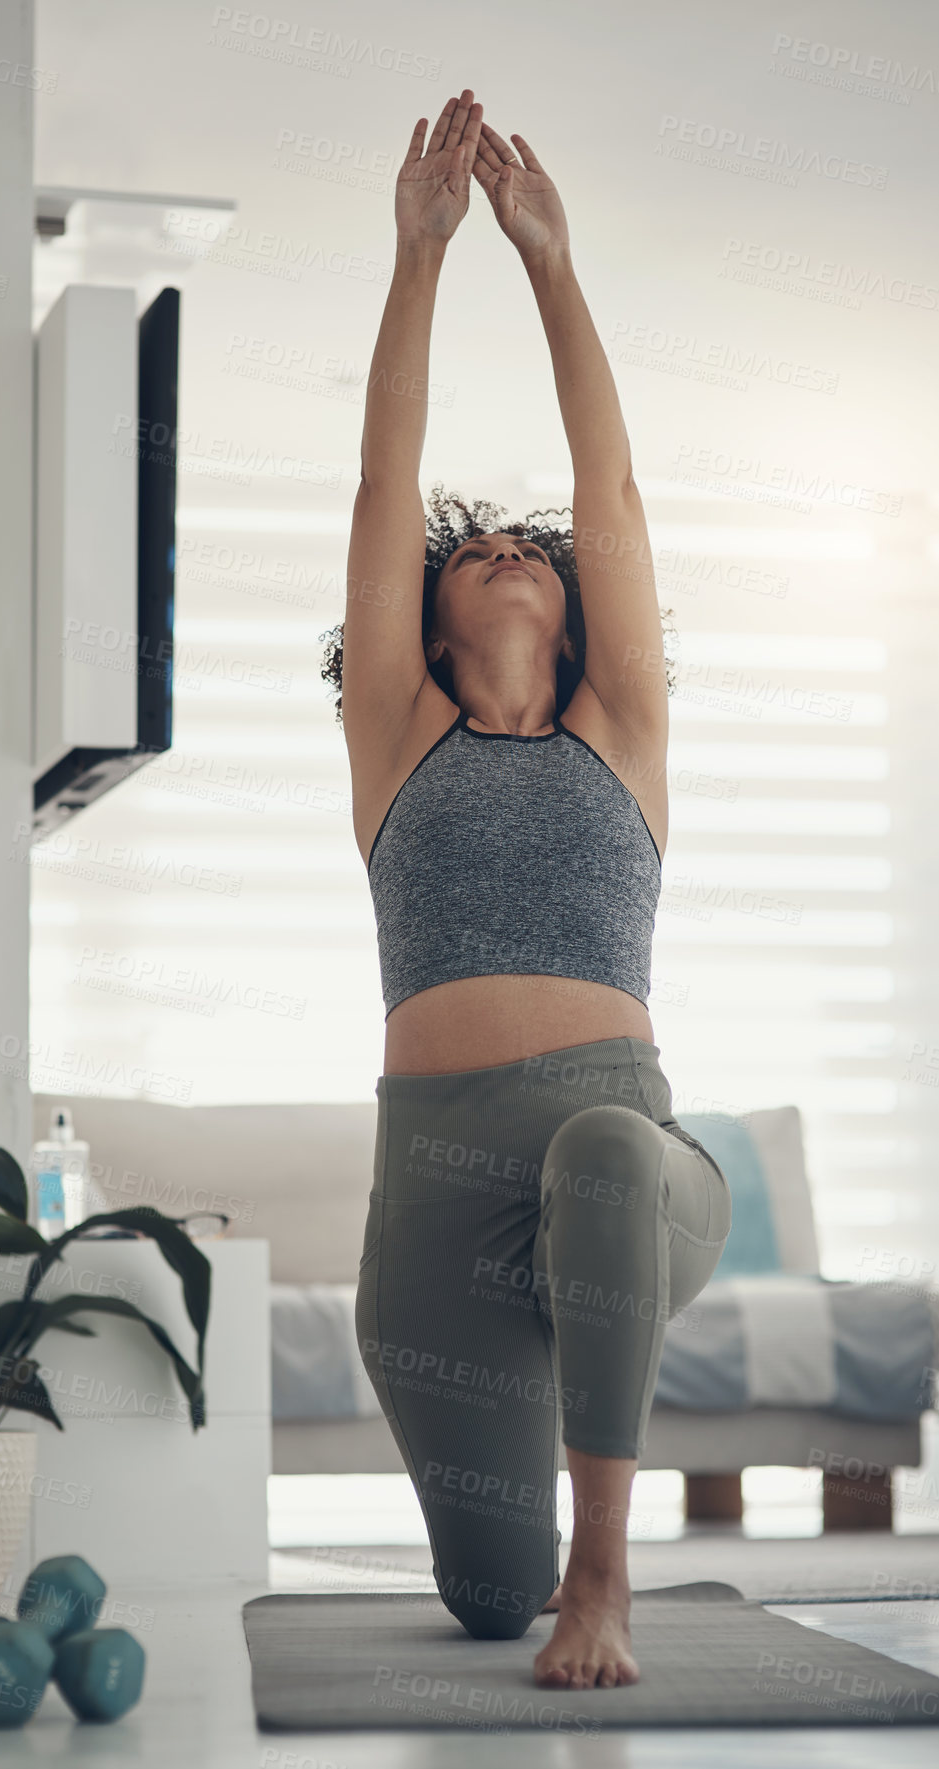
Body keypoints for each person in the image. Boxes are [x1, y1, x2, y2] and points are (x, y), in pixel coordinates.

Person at [321, 88, 732, 1691]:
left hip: (617, 1147)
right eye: (471, 543)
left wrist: (546, 262)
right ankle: (532, 1582)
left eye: (527, 546)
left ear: (572, 617)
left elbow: (608, 489)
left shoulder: (620, 732)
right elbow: (380, 483)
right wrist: (416, 256)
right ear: (419, 627)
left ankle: (605, 1572)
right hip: (432, 1211)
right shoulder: (395, 742)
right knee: (479, 1609)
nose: (501, 540)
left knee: (607, 1152)